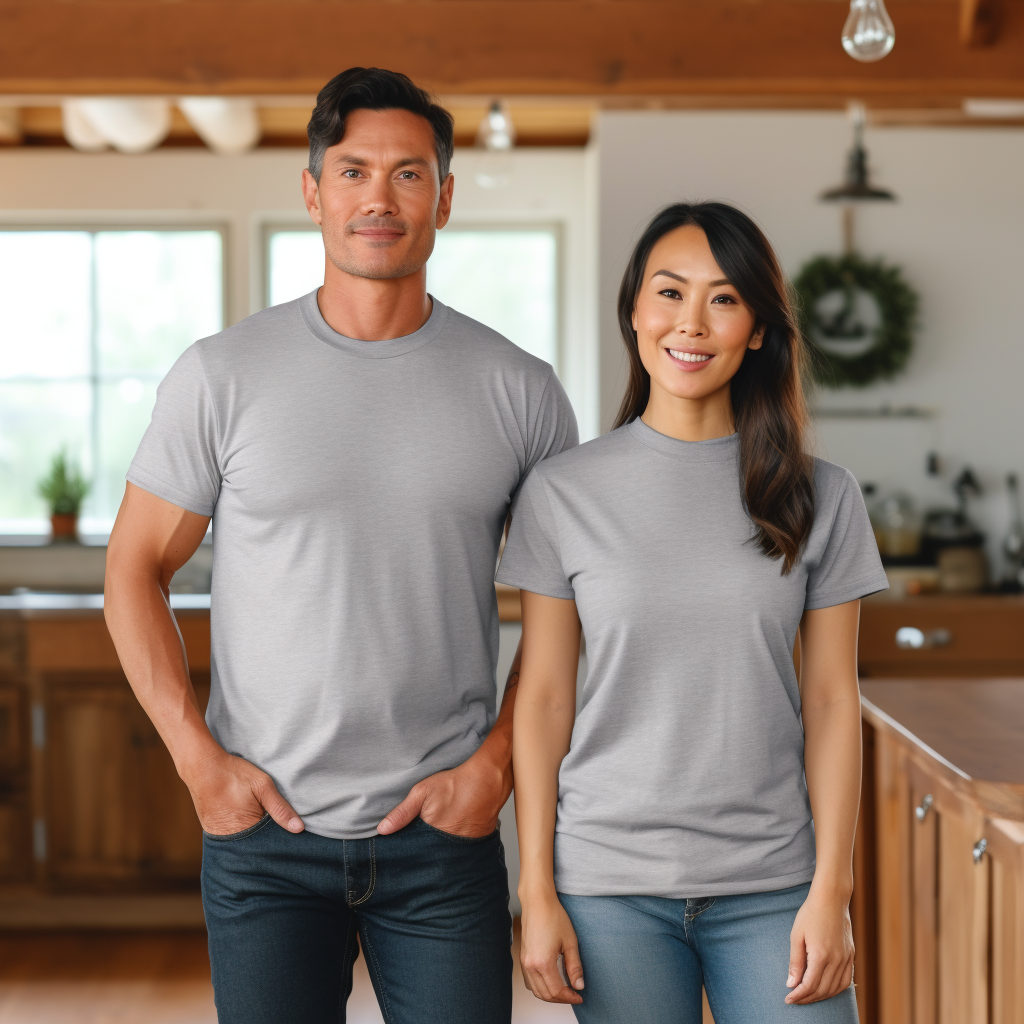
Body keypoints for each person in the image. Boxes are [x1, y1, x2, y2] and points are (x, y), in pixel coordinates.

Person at [104, 67, 577, 1024]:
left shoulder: (519, 390)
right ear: (314, 191)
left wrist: (496, 767)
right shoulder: (221, 376)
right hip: (264, 838)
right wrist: (199, 762)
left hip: (444, 838)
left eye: (409, 174)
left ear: (444, 198)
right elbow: (133, 572)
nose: (379, 197)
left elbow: (573, 605)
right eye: (354, 170)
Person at [498, 202, 887, 1023]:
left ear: (756, 329)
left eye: (723, 299)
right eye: (669, 293)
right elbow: (541, 699)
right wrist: (534, 889)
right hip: (609, 889)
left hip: (775, 883)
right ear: (635, 311)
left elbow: (830, 702)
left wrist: (832, 891)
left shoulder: (824, 495)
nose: (691, 322)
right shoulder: (564, 492)